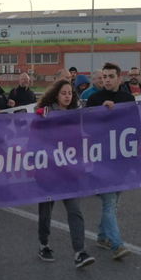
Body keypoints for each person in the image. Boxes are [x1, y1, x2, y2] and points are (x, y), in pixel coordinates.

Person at [33, 80, 95, 268]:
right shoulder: (43, 115)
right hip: (48, 172)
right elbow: (33, 140)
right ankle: (44, 244)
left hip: (69, 172)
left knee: (75, 210)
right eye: (64, 93)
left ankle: (80, 251)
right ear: (56, 95)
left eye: (70, 93)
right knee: (46, 211)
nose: (68, 96)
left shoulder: (76, 115)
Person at [86, 63, 136, 260]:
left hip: (122, 158)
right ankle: (116, 244)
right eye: (104, 76)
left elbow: (135, 125)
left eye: (110, 76)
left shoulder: (127, 98)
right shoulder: (94, 99)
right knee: (109, 201)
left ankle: (101, 236)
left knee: (114, 201)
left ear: (118, 78)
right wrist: (102, 113)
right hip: (101, 158)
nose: (106, 79)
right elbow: (87, 128)